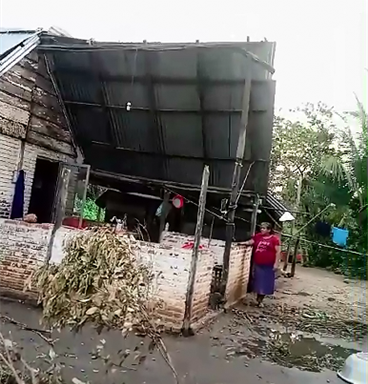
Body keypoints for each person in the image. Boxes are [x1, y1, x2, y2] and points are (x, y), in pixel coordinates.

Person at [244, 222, 281, 306]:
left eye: (264, 228)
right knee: (257, 281)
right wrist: (243, 243)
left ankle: (260, 300)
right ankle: (257, 298)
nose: (261, 229)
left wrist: (276, 264)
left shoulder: (274, 239)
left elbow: (277, 252)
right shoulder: (258, 236)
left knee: (265, 283)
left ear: (269, 230)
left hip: (268, 265)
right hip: (258, 263)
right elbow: (251, 242)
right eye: (261, 228)